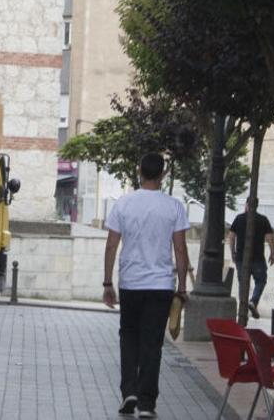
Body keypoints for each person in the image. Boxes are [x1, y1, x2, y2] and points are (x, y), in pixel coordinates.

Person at [102, 153, 190, 418]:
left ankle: (128, 391)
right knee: (152, 344)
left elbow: (111, 245)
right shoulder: (174, 207)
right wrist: (182, 287)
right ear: (163, 174)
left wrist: (108, 282)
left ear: (139, 171)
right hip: (161, 285)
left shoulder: (123, 204)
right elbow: (180, 249)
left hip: (131, 284)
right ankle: (147, 404)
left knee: (128, 337)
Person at [228, 199, 274, 319]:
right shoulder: (263, 219)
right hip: (258, 257)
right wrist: (272, 253)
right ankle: (253, 301)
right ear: (257, 206)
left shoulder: (239, 218)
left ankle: (242, 309)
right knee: (261, 280)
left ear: (247, 205)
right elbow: (270, 238)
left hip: (241, 257)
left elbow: (232, 237)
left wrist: (232, 252)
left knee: (243, 283)